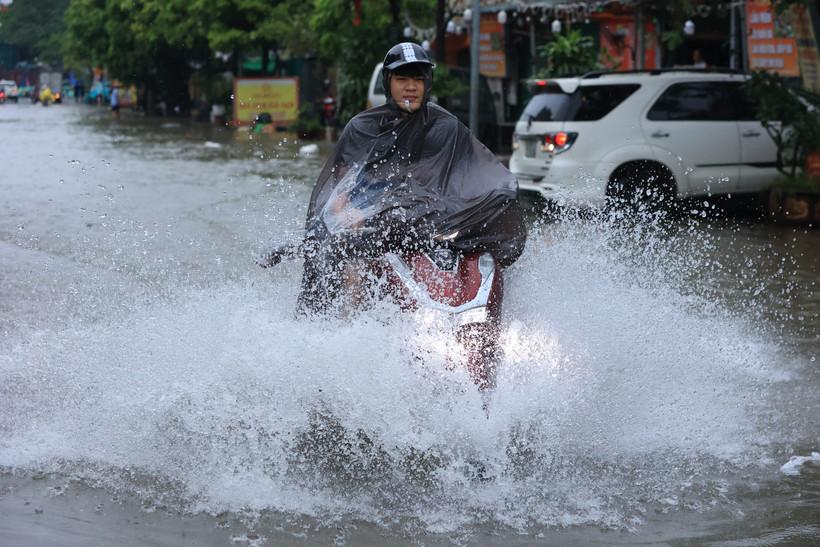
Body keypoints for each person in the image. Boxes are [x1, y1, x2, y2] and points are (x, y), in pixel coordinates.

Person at [294, 42, 527, 315]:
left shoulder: (445, 127)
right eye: (402, 79)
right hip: (371, 229)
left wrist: (500, 194)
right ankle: (346, 330)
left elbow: (479, 173)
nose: (411, 87)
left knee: (484, 259)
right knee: (354, 262)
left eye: (418, 79)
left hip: (426, 225)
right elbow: (338, 191)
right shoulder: (362, 128)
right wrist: (349, 213)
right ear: (387, 83)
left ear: (428, 83)